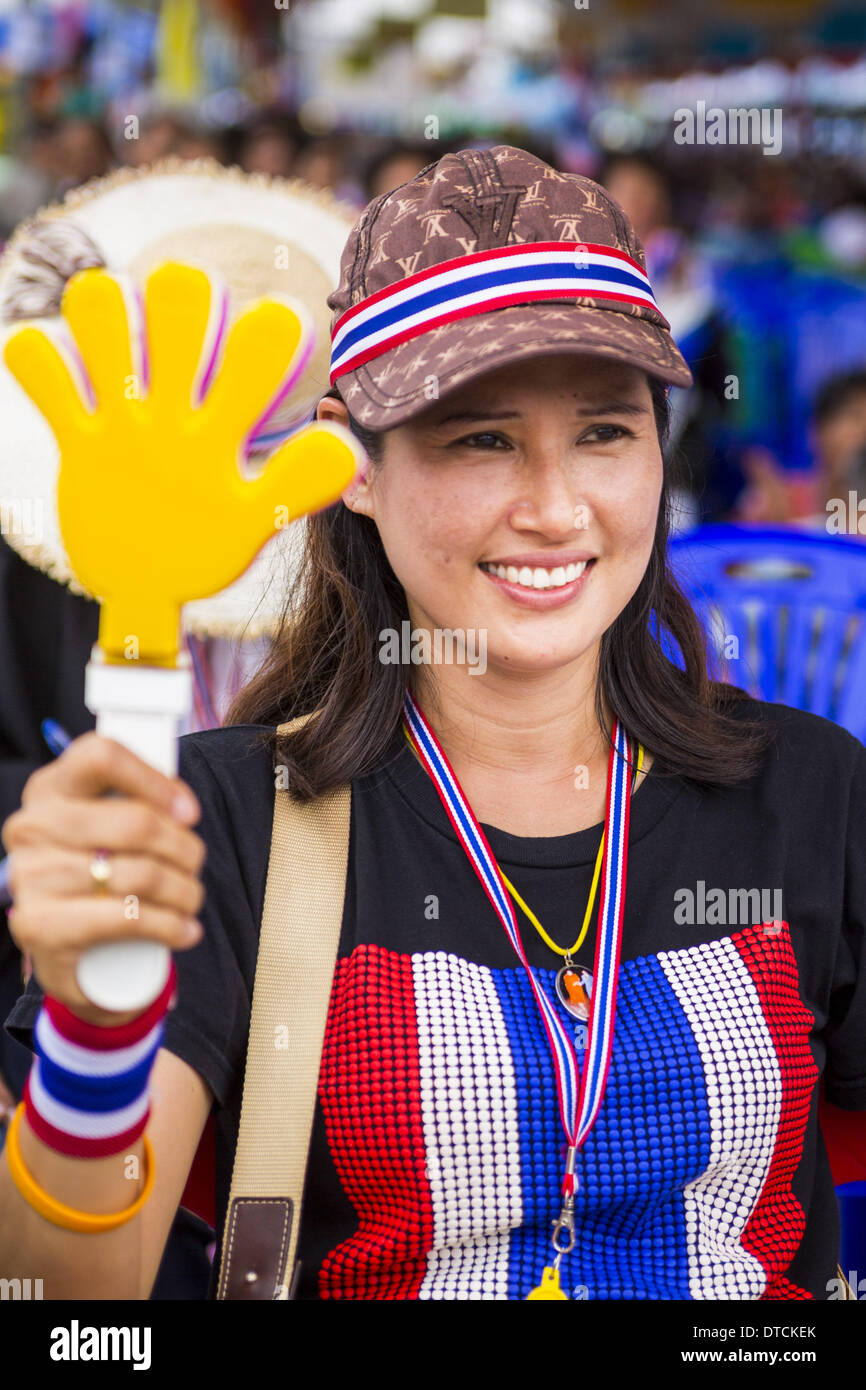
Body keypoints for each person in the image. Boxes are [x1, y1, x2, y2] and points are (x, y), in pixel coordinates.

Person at [1, 145, 864, 1302]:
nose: (554, 508)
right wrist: (93, 1034)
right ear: (351, 465)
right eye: (480, 439)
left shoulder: (806, 792)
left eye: (605, 432)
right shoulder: (216, 823)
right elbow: (69, 1295)